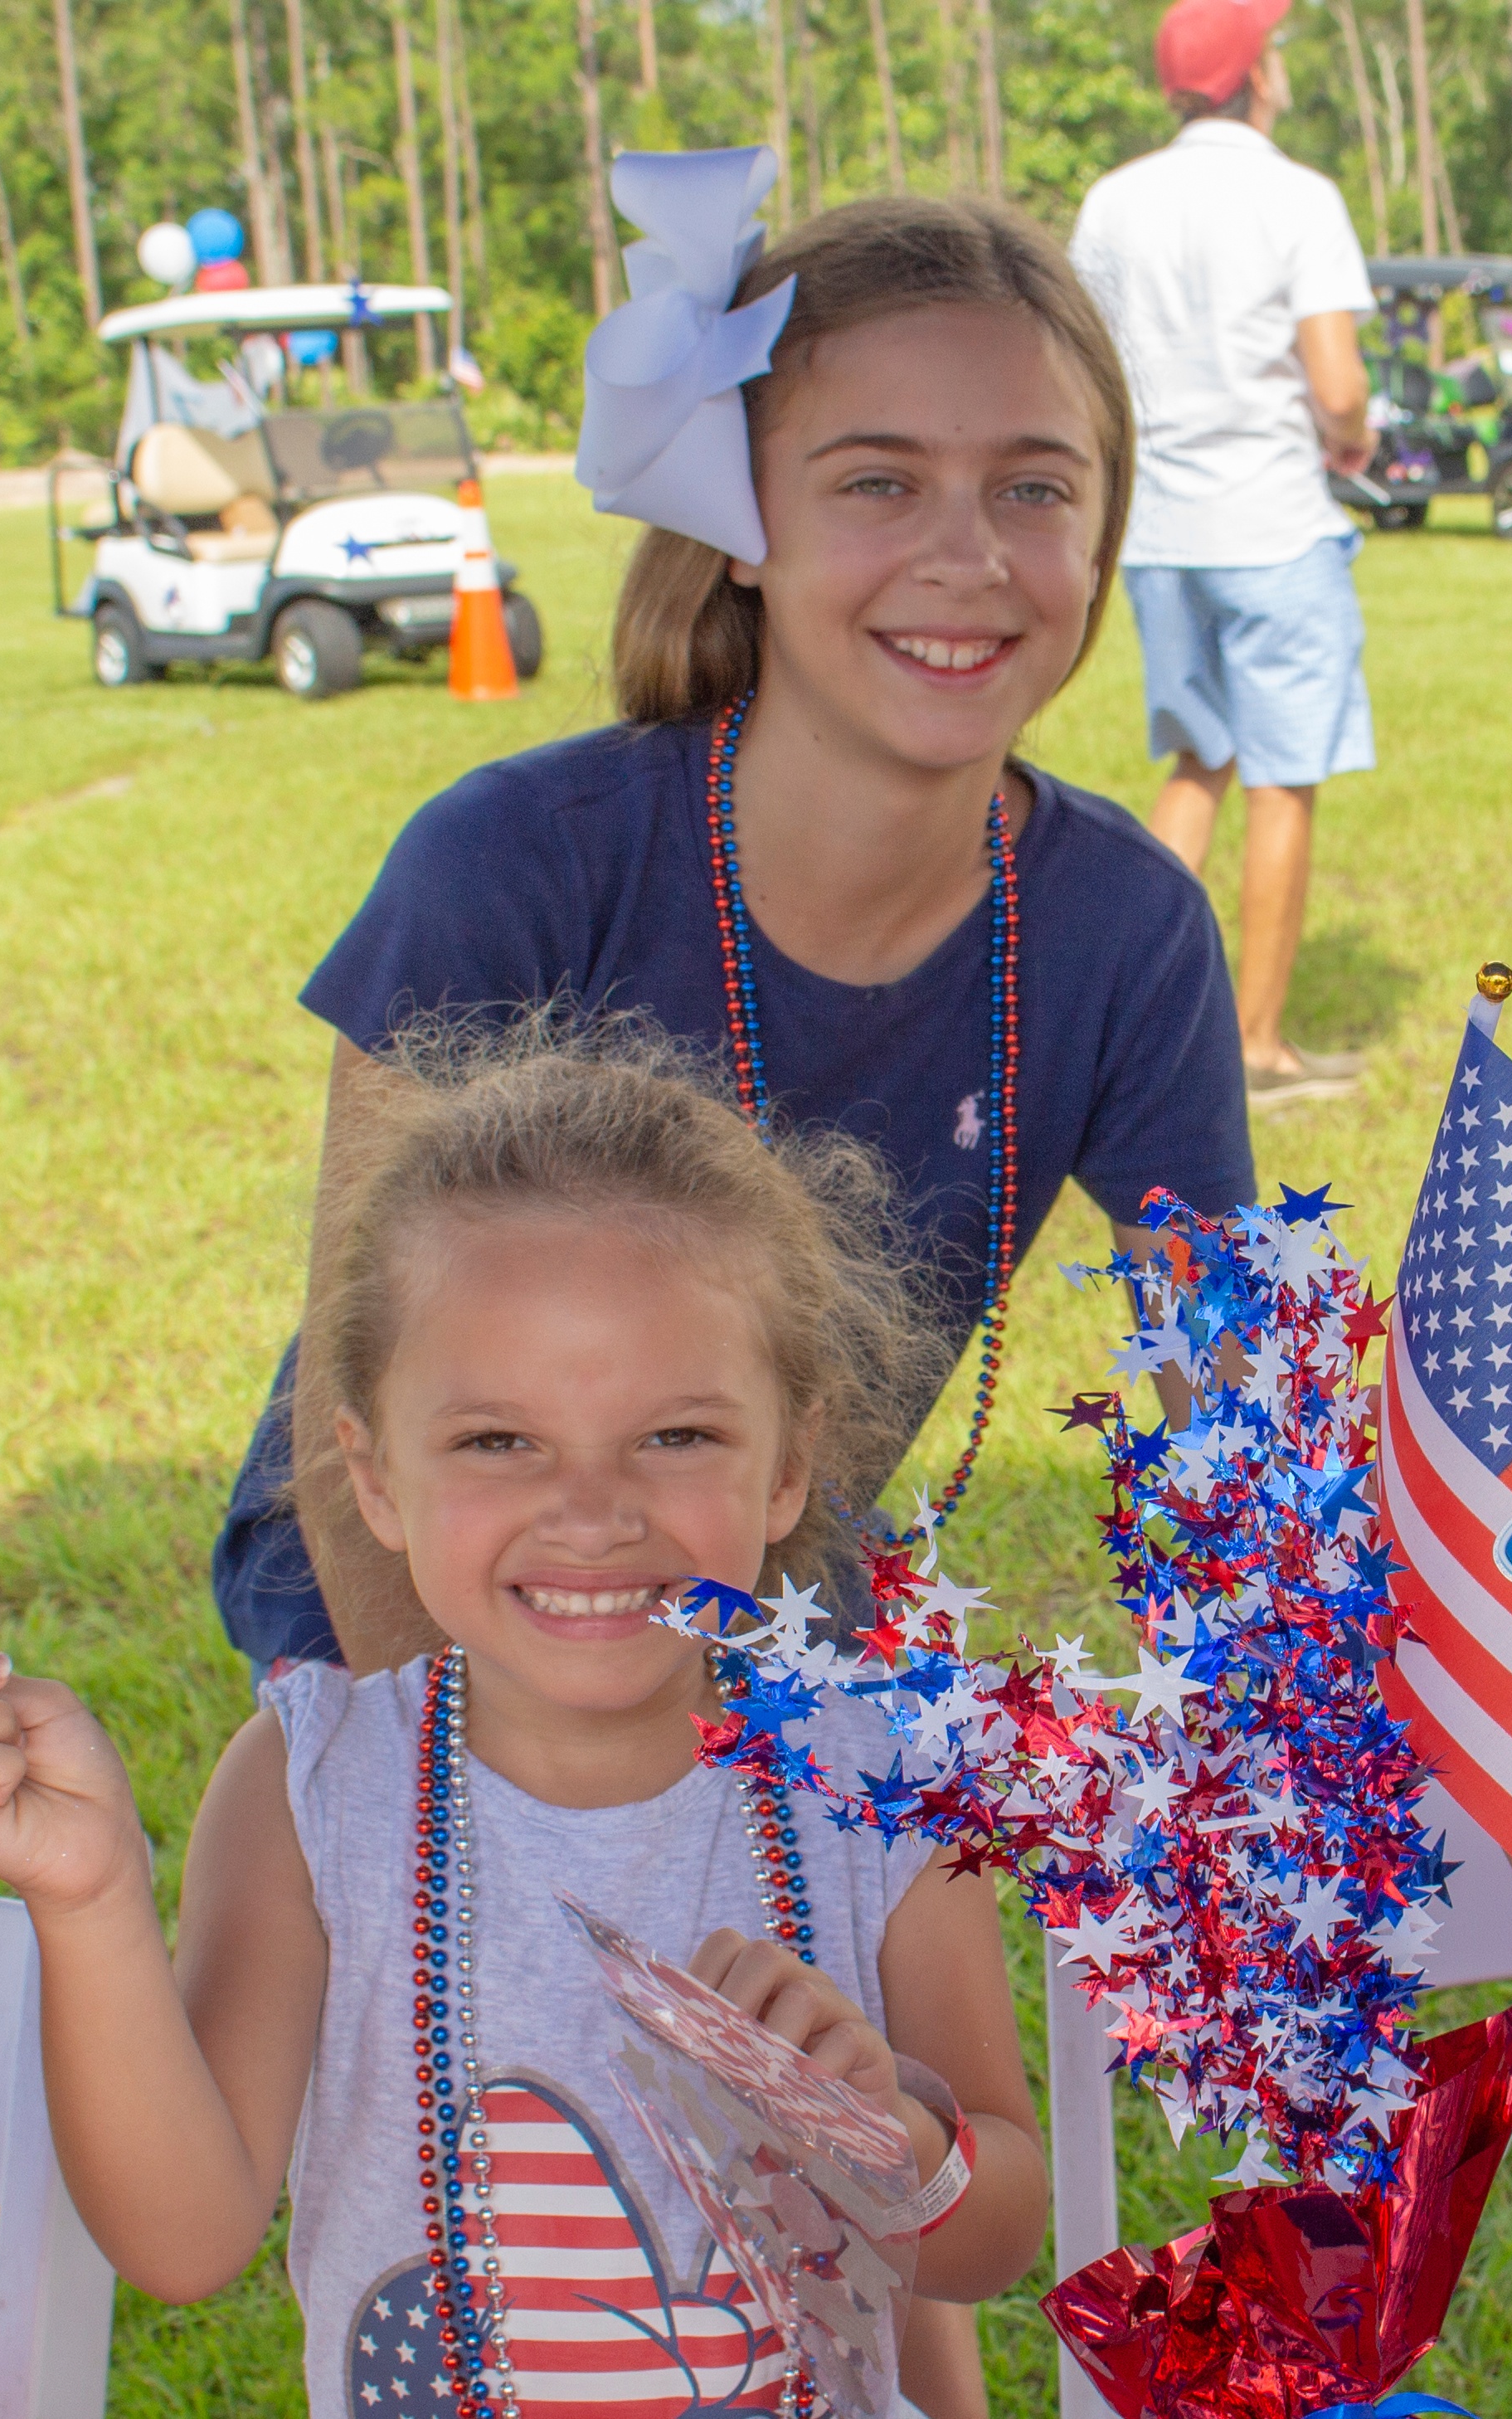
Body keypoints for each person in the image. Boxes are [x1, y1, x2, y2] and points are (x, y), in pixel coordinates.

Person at [0, 1028, 1050, 2419]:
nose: (590, 1510)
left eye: (674, 1437)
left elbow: (994, 2238)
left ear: (789, 1461)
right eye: (499, 1442)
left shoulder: (874, 1789)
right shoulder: (313, 1789)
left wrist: (890, 2135)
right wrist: (87, 1901)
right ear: (373, 1478)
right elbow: (182, 2238)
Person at [208, 184, 1254, 1681]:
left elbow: (1236, 1421)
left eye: (1033, 488)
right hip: (412, 1584)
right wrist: (438, 1788)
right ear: (738, 526)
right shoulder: (512, 863)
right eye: (876, 484)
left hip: (761, 1588)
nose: (966, 555)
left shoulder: (1127, 931)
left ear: (1101, 538)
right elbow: (339, 1435)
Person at [1070, 0, 1378, 1109]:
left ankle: (1113, 1016)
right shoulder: (1298, 197)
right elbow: (1338, 388)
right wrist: (1354, 435)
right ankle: (1254, 1049)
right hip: (1273, 525)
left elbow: (1079, 362)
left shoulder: (1113, 201)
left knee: (1197, 767)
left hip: (1158, 531)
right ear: (1256, 76)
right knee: (1283, 781)